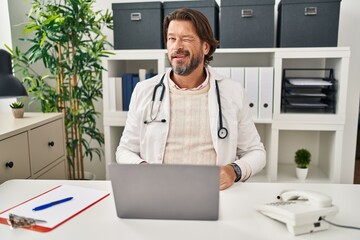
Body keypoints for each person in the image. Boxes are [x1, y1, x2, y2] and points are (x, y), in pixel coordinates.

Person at [116, 8, 266, 190]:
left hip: (214, 193)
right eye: (171, 39)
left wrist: (233, 170)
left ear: (205, 47)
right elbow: (125, 150)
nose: (176, 46)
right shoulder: (144, 90)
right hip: (159, 191)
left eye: (186, 39)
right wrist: (143, 169)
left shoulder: (233, 91)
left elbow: (256, 152)